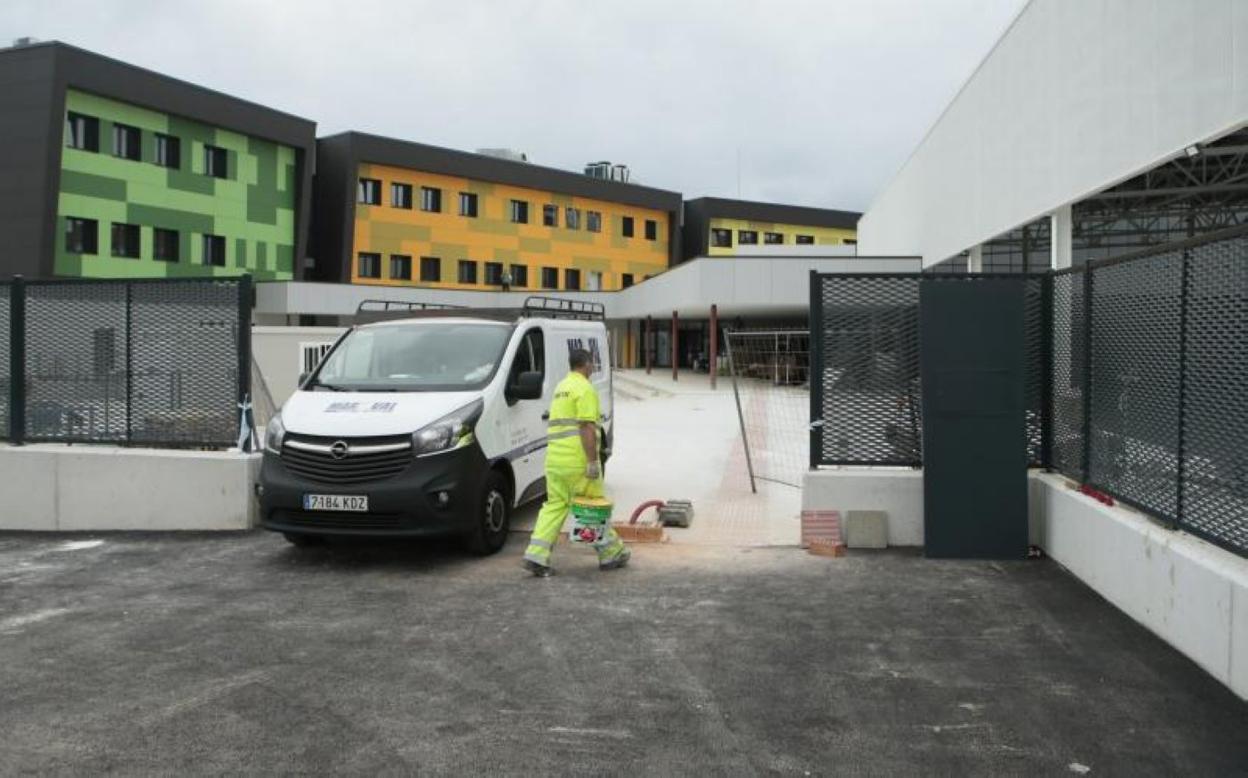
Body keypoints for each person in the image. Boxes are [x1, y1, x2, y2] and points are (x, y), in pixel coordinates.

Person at [522, 348, 630, 577]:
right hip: (577, 462)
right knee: (591, 507)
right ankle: (610, 553)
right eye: (593, 365)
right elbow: (586, 427)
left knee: (555, 506)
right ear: (587, 364)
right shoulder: (585, 389)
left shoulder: (561, 388)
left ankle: (536, 554)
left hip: (555, 462)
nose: (593, 369)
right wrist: (592, 462)